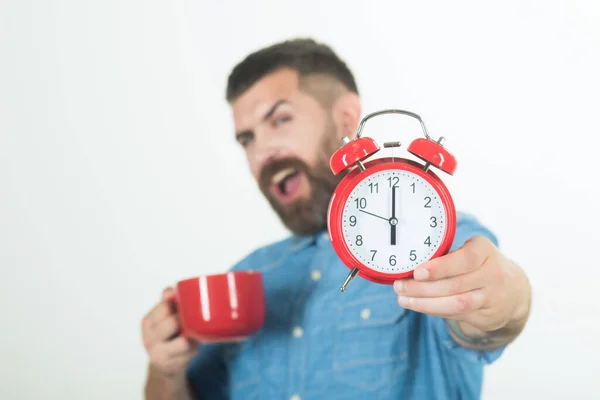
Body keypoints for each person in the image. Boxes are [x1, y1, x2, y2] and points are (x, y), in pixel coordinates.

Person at [141, 38, 532, 400]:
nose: (262, 152)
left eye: (280, 120)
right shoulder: (248, 275)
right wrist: (166, 369)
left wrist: (505, 303)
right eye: (247, 139)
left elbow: (490, 313)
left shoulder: (437, 246)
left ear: (347, 121)